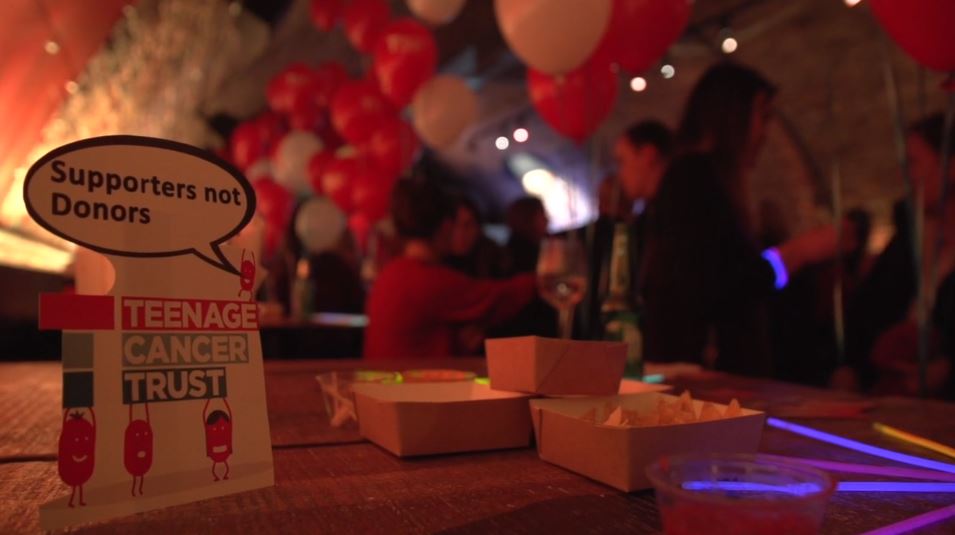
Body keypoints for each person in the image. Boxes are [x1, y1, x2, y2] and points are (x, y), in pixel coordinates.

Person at [642, 61, 844, 376]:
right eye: (762, 116)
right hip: (700, 376)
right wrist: (800, 252)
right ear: (731, 115)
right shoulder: (693, 176)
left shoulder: (701, 175)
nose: (765, 132)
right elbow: (721, 283)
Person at [845, 112, 955, 396]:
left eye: (915, 164)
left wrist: (947, 368)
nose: (907, 176)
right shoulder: (909, 237)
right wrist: (851, 366)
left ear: (950, 166)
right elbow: (868, 310)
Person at [364, 179, 537, 359]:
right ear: (447, 226)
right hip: (406, 384)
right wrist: (546, 278)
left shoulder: (391, 272)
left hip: (390, 380)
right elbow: (503, 297)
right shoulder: (424, 279)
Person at [583, 121, 673, 337]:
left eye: (622, 161)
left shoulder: (673, 215)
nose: (620, 174)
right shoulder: (654, 216)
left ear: (649, 155)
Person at [444, 197, 504, 279]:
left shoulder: (496, 261)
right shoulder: (434, 266)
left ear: (479, 228)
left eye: (468, 225)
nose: (460, 232)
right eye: (455, 225)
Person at [502, 196, 549, 275]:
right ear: (527, 219)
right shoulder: (521, 254)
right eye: (542, 214)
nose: (547, 219)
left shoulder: (510, 248)